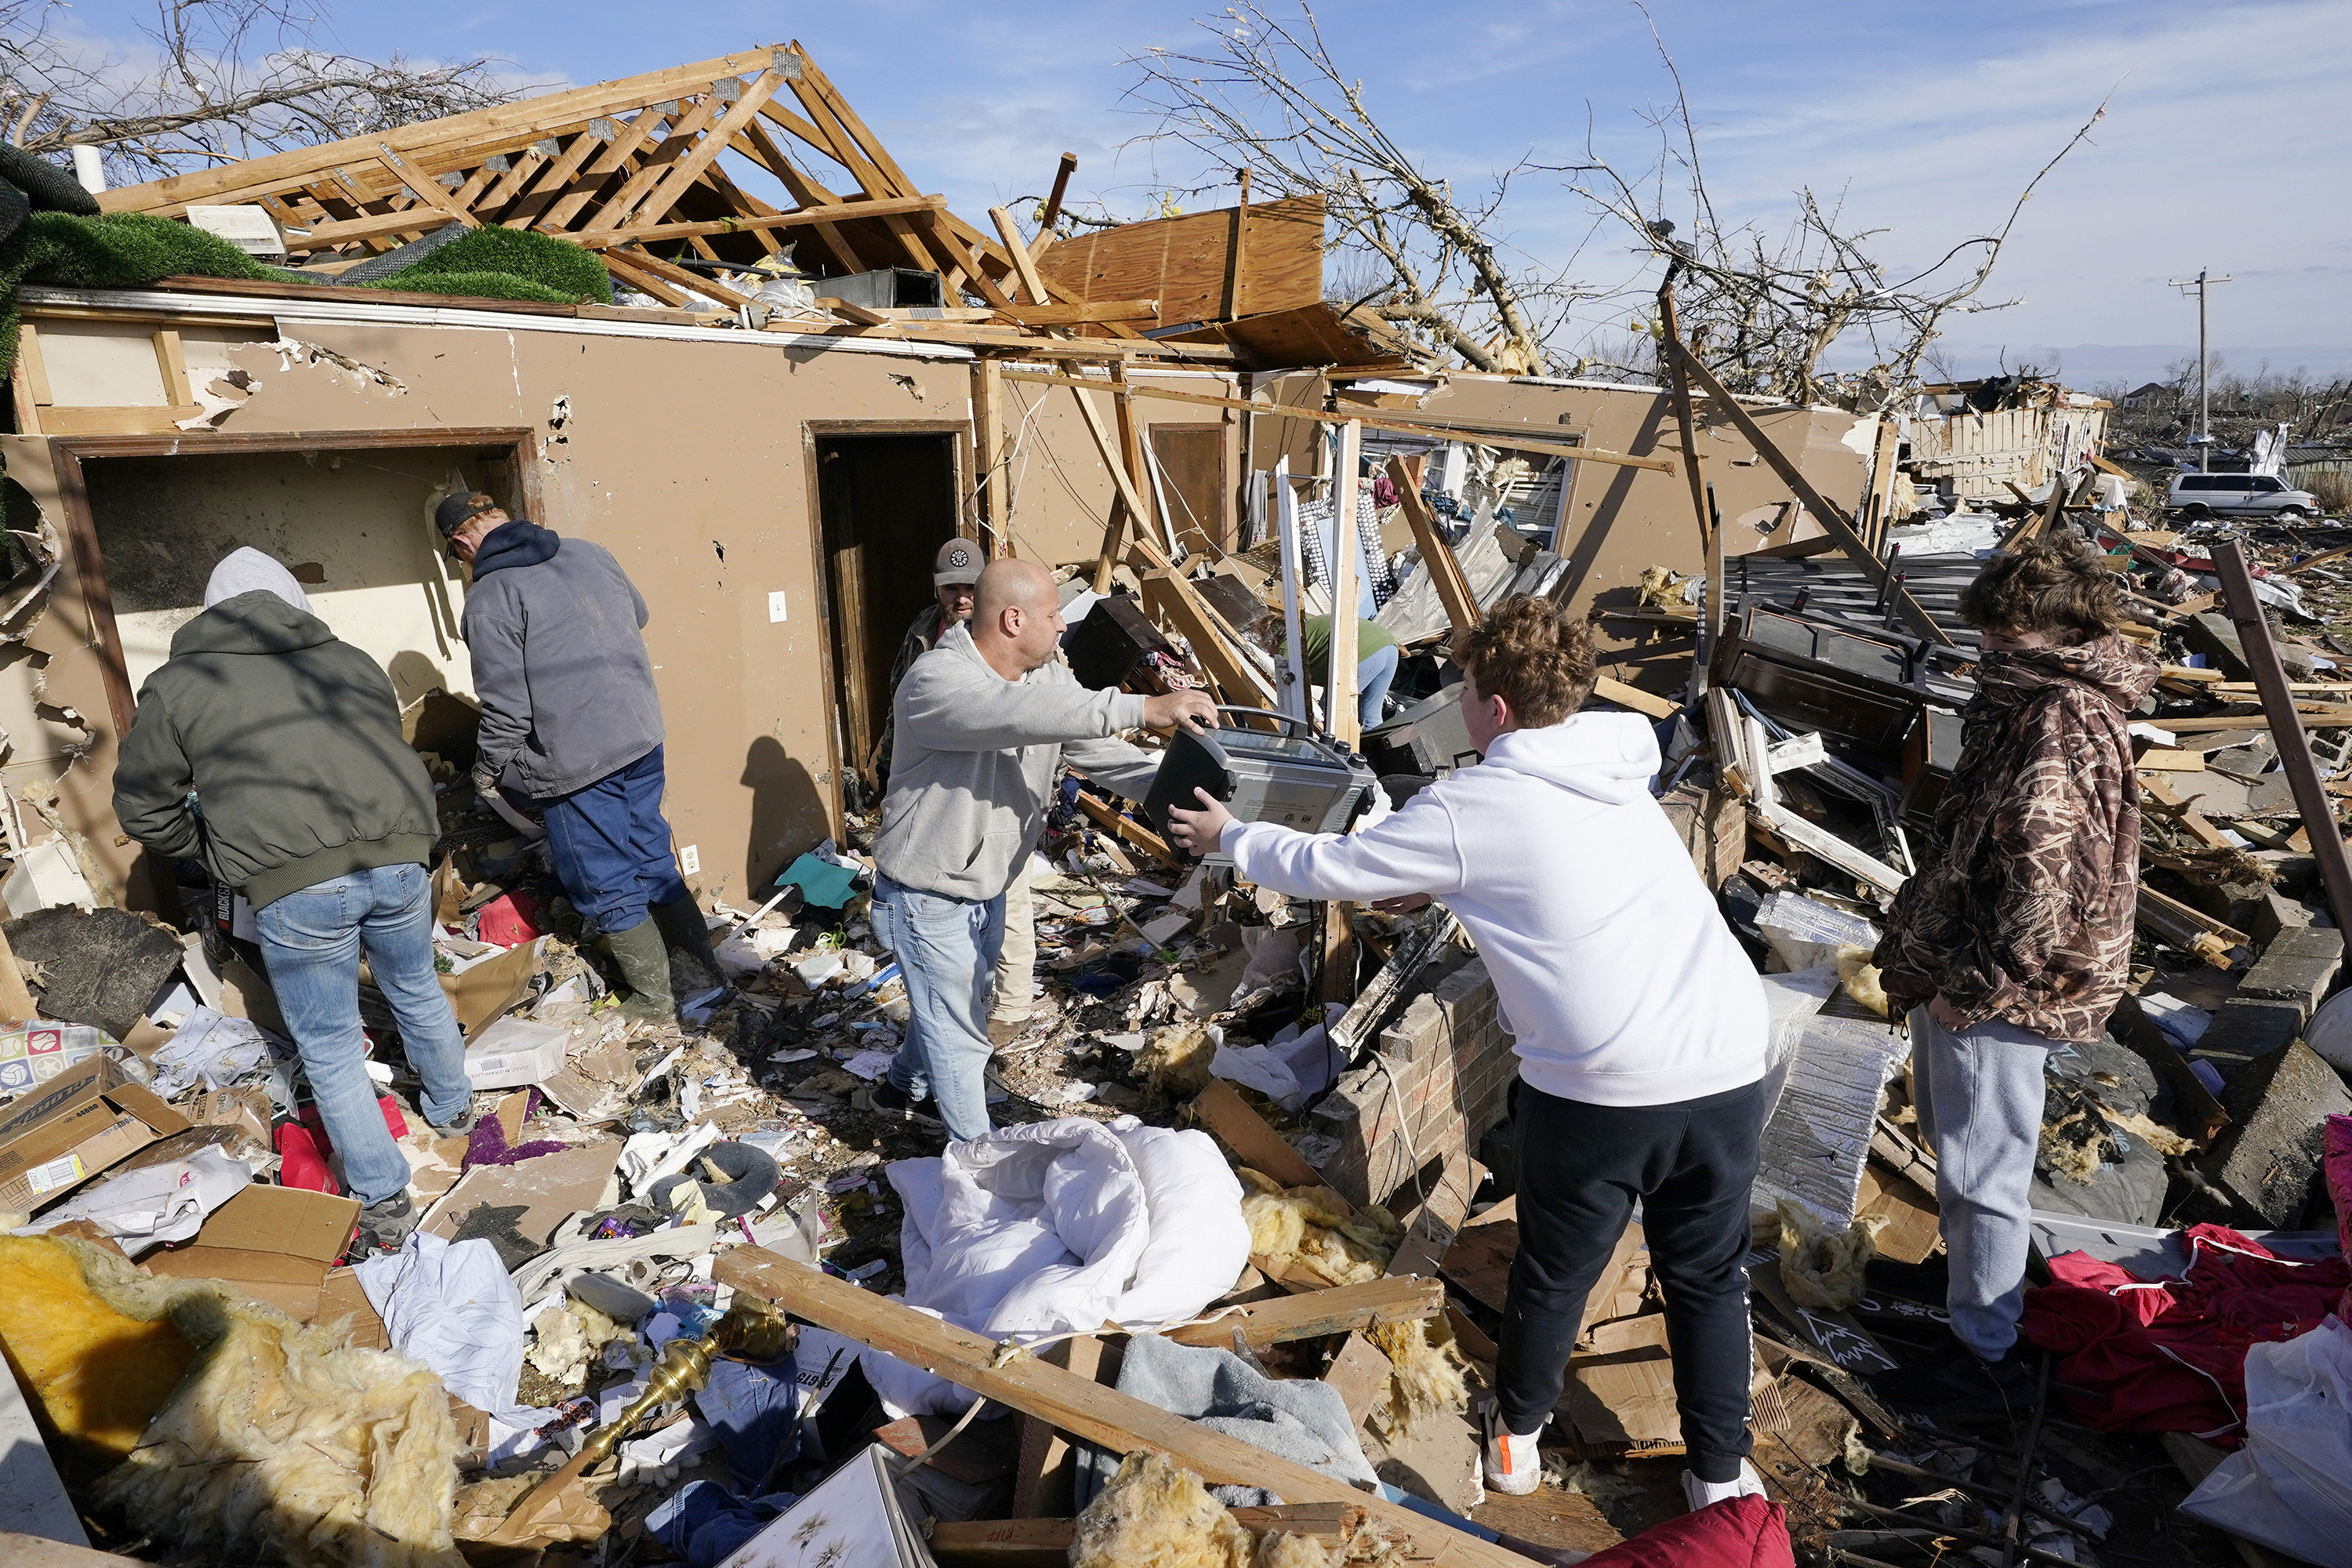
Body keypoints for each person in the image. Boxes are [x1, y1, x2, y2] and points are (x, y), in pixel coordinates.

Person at [1168, 596, 1769, 1512]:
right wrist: (1439, 879)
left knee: (1557, 1269)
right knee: (1709, 1276)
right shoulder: (1616, 762)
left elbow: (1331, 867)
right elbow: (1543, 873)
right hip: (1727, 1057)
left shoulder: (1475, 800)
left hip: (1604, 1084)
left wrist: (1231, 837)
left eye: (1464, 690)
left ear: (1491, 707)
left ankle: (1518, 1442)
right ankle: (1719, 1477)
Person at [113, 548, 475, 1254]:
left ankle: (383, 1196)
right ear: (293, 605)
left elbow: (145, 810)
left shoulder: (179, 682)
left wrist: (219, 848)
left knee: (331, 1043)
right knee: (415, 986)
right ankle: (454, 1110)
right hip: (401, 854)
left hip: (297, 884)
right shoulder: (350, 660)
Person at [1869, 537, 2158, 1418]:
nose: (1989, 656)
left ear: (2066, 629)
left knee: (1982, 1166)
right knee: (1969, 1152)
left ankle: (1985, 1353)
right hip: (1986, 965)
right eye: (1987, 638)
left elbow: (2045, 870)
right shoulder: (2051, 698)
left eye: (2007, 640)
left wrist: (1982, 982)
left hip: (2004, 983)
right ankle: (1970, 1292)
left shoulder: (2056, 712)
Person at [873, 558, 1214, 1139]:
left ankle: (901, 1088)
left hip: (988, 881)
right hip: (926, 892)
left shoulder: (1046, 680)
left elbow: (1090, 747)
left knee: (954, 1002)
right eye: (1053, 614)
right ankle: (979, 1164)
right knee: (957, 1031)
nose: (1063, 626)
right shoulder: (935, 681)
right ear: (1013, 619)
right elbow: (1015, 716)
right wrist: (1144, 708)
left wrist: (1189, 790)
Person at [437, 491, 716, 1024]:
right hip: (640, 735)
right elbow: (639, 613)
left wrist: (487, 770)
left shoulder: (491, 596)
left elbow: (507, 708)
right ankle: (704, 971)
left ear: (461, 542)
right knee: (651, 854)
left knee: (602, 879)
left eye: (459, 557)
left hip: (578, 763)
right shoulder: (591, 552)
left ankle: (655, 1004)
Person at [877, 539, 1036, 1044]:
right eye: (952, 588)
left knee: (1011, 897)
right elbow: (903, 696)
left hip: (1003, 790)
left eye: (970, 587)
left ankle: (1010, 1007)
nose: (961, 597)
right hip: (947, 795)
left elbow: (1047, 711)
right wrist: (886, 761)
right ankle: (959, 1012)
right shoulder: (924, 632)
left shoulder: (1018, 633)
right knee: (966, 911)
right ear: (937, 588)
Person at [1298, 613, 1399, 731]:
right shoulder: (1310, 627)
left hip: (1367, 650)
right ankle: (1377, 748)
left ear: (1274, 640)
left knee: (1329, 711)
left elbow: (1283, 672)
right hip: (1390, 646)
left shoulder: (1289, 640)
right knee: (1372, 713)